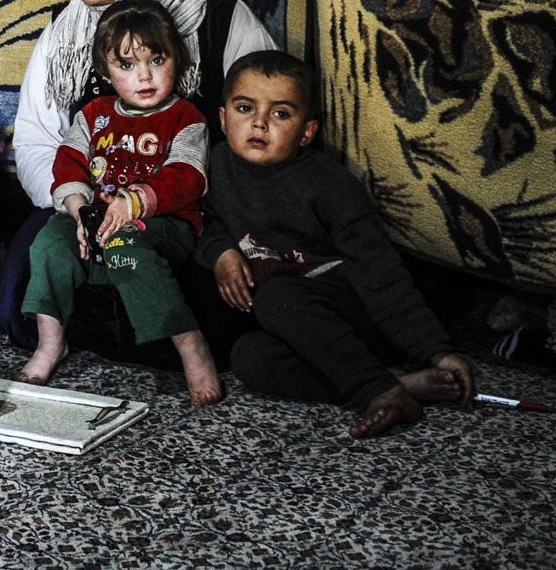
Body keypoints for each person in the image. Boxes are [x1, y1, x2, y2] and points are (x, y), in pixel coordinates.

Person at [1, 0, 278, 348]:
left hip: (185, 215)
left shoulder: (222, 21)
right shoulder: (66, 29)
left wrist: (161, 210)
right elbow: (36, 139)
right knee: (19, 307)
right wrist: (80, 208)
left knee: (226, 321)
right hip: (85, 202)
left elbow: (264, 139)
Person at [199, 50, 476, 438]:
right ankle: (393, 383)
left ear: (307, 132)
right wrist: (221, 253)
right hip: (301, 327)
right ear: (223, 117)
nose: (259, 122)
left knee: (276, 296)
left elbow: (380, 272)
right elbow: (202, 220)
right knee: (249, 359)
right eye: (245, 108)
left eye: (280, 114)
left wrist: (436, 349)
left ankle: (375, 390)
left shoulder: (328, 184)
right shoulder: (216, 166)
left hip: (348, 311)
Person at [17, 0, 222, 403]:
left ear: (176, 60)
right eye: (127, 65)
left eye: (156, 60)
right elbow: (69, 166)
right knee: (47, 243)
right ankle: (50, 342)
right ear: (106, 71)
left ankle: (191, 346)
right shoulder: (94, 115)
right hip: (98, 215)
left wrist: (132, 204)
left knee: (125, 244)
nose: (144, 76)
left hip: (161, 223)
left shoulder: (186, 117)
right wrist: (80, 212)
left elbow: (188, 177)